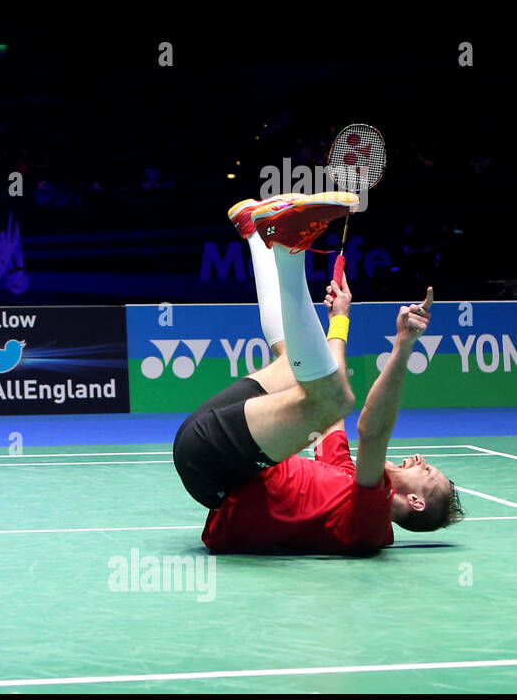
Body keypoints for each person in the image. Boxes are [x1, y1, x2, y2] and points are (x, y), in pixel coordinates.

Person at [173, 192, 464, 554]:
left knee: (335, 398)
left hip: (217, 466)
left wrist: (403, 345)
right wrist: (340, 318)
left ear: (416, 503)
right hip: (216, 456)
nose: (421, 460)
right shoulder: (343, 475)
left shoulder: (369, 524)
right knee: (298, 366)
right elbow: (328, 408)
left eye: (428, 473)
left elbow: (372, 432)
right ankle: (256, 233)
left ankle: (289, 250)